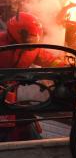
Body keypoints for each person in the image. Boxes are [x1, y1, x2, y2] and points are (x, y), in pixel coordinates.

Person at [0, 12, 64, 142]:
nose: (32, 41)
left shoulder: (33, 49)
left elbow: (49, 60)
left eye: (34, 37)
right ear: (18, 33)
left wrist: (67, 66)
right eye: (30, 37)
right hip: (4, 92)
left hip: (12, 94)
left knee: (26, 121)